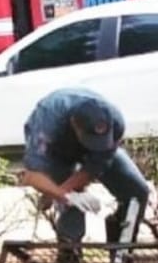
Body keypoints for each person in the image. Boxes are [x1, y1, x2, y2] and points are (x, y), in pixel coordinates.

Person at [19, 88, 151, 248]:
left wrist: (62, 192)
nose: (95, 145)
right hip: (56, 151)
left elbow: (96, 166)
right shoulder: (48, 121)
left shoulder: (115, 121)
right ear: (74, 124)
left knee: (137, 191)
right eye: (91, 140)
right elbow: (32, 174)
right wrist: (63, 195)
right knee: (73, 203)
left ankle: (120, 253)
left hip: (89, 145)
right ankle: (70, 255)